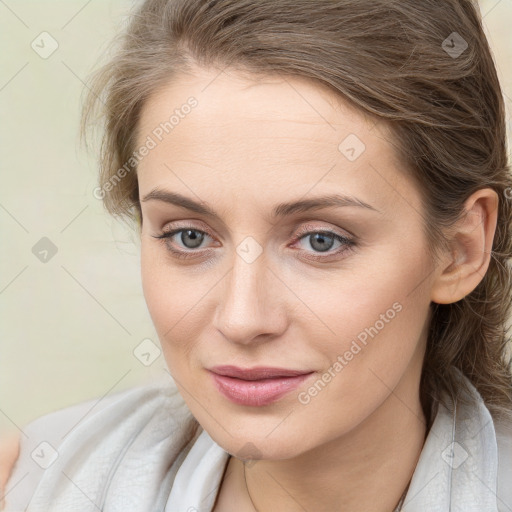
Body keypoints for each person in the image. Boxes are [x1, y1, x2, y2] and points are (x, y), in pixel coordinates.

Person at [2, 0, 512, 510]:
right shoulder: (42, 485)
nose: (242, 320)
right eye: (190, 237)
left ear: (459, 250)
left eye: (321, 240)